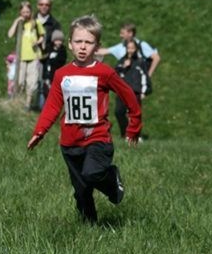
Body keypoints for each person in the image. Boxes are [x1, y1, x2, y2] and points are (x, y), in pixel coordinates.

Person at [27, 15, 142, 224]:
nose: (82, 47)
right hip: (70, 143)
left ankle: (111, 180)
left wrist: (134, 126)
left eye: (88, 42)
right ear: (70, 43)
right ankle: (90, 226)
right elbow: (52, 106)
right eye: (78, 41)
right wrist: (40, 131)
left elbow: (128, 96)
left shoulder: (104, 72)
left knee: (92, 174)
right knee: (81, 189)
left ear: (97, 46)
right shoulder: (62, 74)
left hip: (98, 139)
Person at [7, 1, 45, 110]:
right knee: (19, 81)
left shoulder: (35, 23)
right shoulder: (20, 24)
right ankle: (18, 100)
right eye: (23, 12)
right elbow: (10, 35)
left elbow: (42, 36)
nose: (25, 14)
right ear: (20, 13)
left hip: (34, 56)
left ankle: (28, 104)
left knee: (32, 81)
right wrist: (16, 21)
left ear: (31, 12)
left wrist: (37, 42)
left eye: (27, 12)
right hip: (21, 57)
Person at [114, 39, 149, 140]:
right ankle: (125, 133)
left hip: (135, 91)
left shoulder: (140, 62)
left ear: (136, 49)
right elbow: (115, 74)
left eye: (132, 48)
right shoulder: (121, 61)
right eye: (128, 48)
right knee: (118, 112)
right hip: (122, 92)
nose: (130, 50)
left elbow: (145, 77)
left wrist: (144, 91)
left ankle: (137, 135)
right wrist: (123, 66)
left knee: (134, 114)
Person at [36, 0, 62, 84]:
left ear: (50, 7)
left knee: (46, 83)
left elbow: (58, 42)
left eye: (47, 5)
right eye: (41, 4)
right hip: (32, 55)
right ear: (37, 6)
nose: (44, 7)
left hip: (47, 57)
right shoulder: (31, 21)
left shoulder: (55, 24)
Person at [41, 29, 67, 104]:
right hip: (46, 74)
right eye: (56, 40)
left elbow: (61, 61)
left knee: (53, 90)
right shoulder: (49, 48)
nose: (58, 42)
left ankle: (54, 103)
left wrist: (52, 60)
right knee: (45, 90)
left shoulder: (62, 50)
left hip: (55, 74)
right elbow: (43, 59)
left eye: (60, 40)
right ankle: (44, 104)